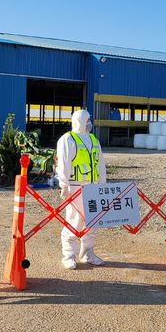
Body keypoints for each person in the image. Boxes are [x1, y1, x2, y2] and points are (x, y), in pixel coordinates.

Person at [54, 109, 107, 269]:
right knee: (74, 221)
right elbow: (63, 164)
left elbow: (100, 163)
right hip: (75, 187)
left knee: (92, 220)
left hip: (92, 187)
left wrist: (102, 184)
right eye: (88, 120)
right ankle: (69, 255)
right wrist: (64, 185)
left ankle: (87, 253)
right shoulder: (67, 139)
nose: (90, 123)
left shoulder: (93, 139)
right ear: (81, 121)